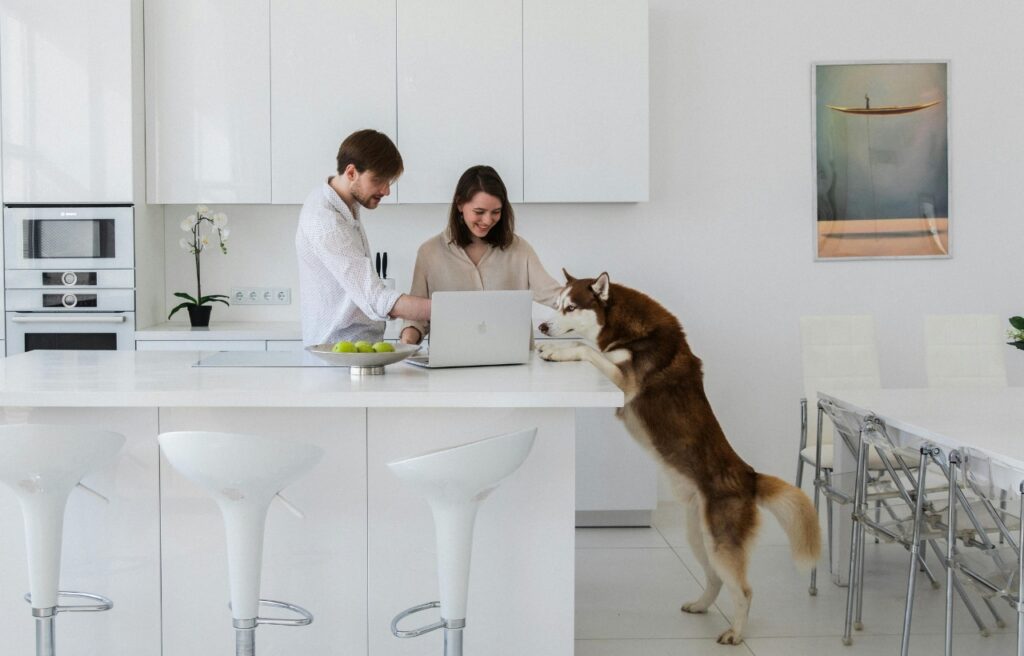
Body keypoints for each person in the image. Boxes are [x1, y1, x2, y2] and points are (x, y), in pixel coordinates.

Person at [399, 165, 561, 344]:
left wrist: (592, 297)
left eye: (496, 212)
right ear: (460, 204)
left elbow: (553, 295)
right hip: (451, 362)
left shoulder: (519, 249)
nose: (487, 220)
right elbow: (416, 317)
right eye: (479, 212)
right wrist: (407, 341)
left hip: (512, 363)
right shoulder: (429, 252)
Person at [296, 129, 430, 346]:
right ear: (351, 173)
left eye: (389, 182)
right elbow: (376, 299)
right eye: (378, 180)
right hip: (338, 353)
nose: (386, 191)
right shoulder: (326, 221)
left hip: (354, 348)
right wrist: (446, 309)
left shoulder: (344, 204)